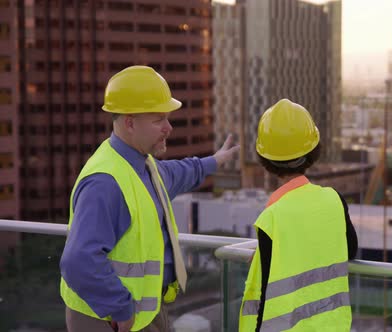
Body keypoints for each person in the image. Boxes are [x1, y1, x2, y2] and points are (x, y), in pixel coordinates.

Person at [59, 65, 239, 332]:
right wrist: (119, 307)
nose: (169, 128)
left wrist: (215, 161)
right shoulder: (105, 182)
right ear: (130, 122)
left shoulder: (143, 166)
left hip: (141, 311)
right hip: (108, 318)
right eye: (158, 120)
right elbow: (78, 260)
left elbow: (179, 173)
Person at [239, 99, 358, 331]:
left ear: (264, 158)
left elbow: (265, 294)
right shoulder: (334, 199)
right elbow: (350, 250)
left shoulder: (272, 217)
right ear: (313, 151)